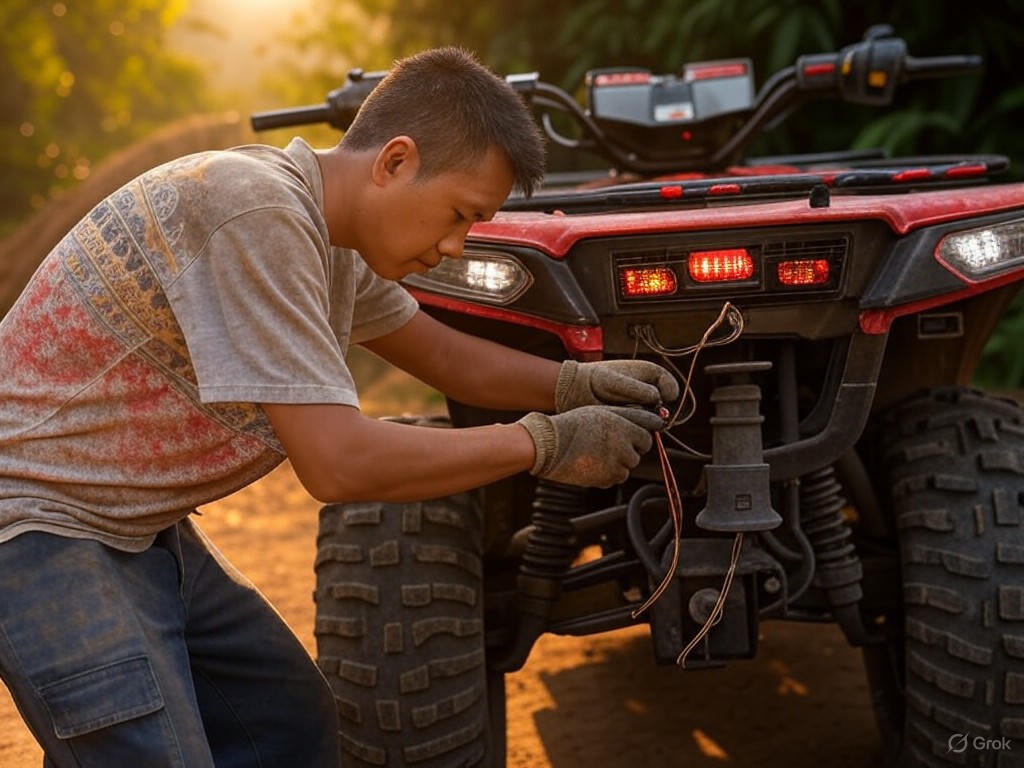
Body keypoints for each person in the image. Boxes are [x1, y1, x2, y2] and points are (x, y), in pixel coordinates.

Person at [0, 47, 677, 766]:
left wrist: (574, 385)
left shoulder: (330, 239)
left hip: (129, 523)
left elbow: (442, 355)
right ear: (394, 162)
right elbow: (339, 462)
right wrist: (545, 442)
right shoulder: (255, 211)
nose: (454, 244)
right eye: (458, 214)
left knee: (285, 725)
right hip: (36, 524)